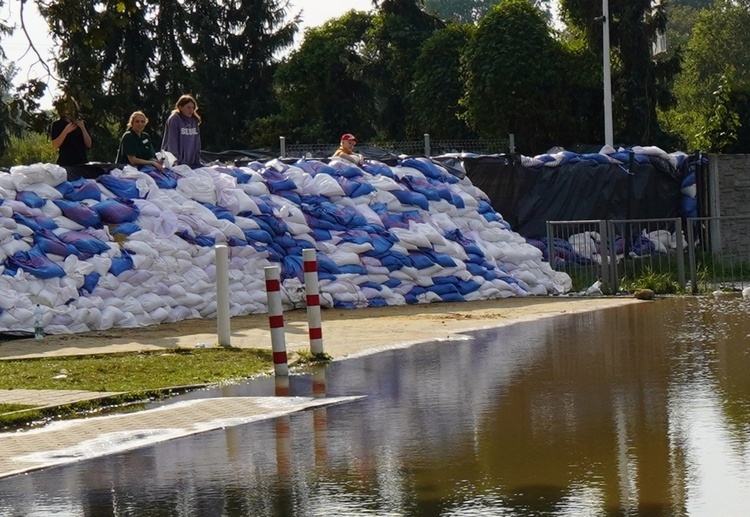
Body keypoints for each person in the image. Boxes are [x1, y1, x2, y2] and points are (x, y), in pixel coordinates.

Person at [49, 96, 92, 166]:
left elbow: (89, 144)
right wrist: (66, 131)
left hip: (82, 162)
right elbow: (55, 145)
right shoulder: (57, 124)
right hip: (65, 163)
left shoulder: (81, 123)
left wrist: (83, 129)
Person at [161, 94, 202, 168]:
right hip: (176, 162)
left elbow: (197, 142)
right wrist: (175, 160)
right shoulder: (174, 119)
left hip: (192, 162)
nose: (191, 110)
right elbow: (172, 141)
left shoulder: (194, 121)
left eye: (193, 108)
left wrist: (197, 157)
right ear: (180, 107)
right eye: (188, 107)